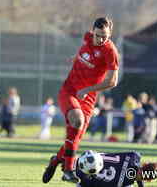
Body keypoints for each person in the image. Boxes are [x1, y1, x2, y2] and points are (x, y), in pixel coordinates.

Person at [43, 17, 120, 183]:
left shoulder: (110, 51)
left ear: (110, 34)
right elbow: (86, 53)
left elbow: (112, 81)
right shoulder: (87, 38)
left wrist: (88, 90)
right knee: (77, 121)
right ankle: (69, 170)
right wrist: (76, 58)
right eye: (98, 35)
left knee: (75, 137)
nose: (101, 39)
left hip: (87, 97)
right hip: (69, 90)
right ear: (92, 31)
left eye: (105, 36)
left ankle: (56, 161)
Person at [75, 151, 157, 187]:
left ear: (145, 164)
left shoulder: (134, 156)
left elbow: (137, 169)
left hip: (85, 159)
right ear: (149, 180)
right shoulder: (125, 184)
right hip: (82, 181)